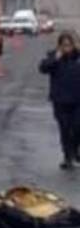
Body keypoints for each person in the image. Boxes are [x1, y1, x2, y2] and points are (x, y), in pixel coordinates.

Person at [39, 31, 80, 170]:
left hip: (77, 101)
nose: (67, 48)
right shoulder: (54, 57)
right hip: (60, 100)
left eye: (69, 45)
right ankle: (67, 156)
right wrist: (55, 58)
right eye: (64, 45)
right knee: (65, 129)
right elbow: (43, 68)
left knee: (77, 128)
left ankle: (75, 151)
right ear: (60, 46)